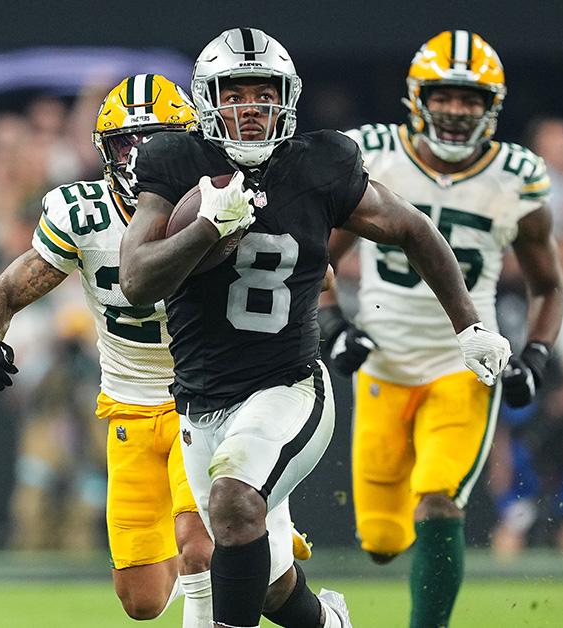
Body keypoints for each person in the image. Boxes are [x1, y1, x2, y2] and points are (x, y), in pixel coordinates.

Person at [119, 27, 512, 628]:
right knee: (269, 579)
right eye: (235, 93)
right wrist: (207, 229)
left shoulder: (318, 166)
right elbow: (138, 281)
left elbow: (412, 228)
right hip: (199, 403)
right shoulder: (175, 163)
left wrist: (470, 326)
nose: (250, 108)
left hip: (288, 387)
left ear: (288, 98)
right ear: (206, 99)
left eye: (263, 93)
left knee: (232, 506)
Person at [0, 74, 308, 626]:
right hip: (126, 405)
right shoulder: (83, 213)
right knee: (142, 599)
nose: (138, 157)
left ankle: (253, 545)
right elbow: (3, 294)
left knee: (198, 546)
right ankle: (270, 553)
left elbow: (304, 273)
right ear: (104, 150)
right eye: (126, 143)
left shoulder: (224, 201)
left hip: (204, 400)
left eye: (155, 140)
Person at [321, 30, 563, 627]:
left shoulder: (516, 176)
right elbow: (316, 255)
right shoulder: (374, 157)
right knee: (380, 540)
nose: (457, 111)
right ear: (416, 98)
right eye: (445, 96)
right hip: (383, 366)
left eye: (472, 99)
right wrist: (333, 322)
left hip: (464, 368)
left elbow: (549, 285)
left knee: (438, 499)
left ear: (493, 107)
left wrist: (534, 355)